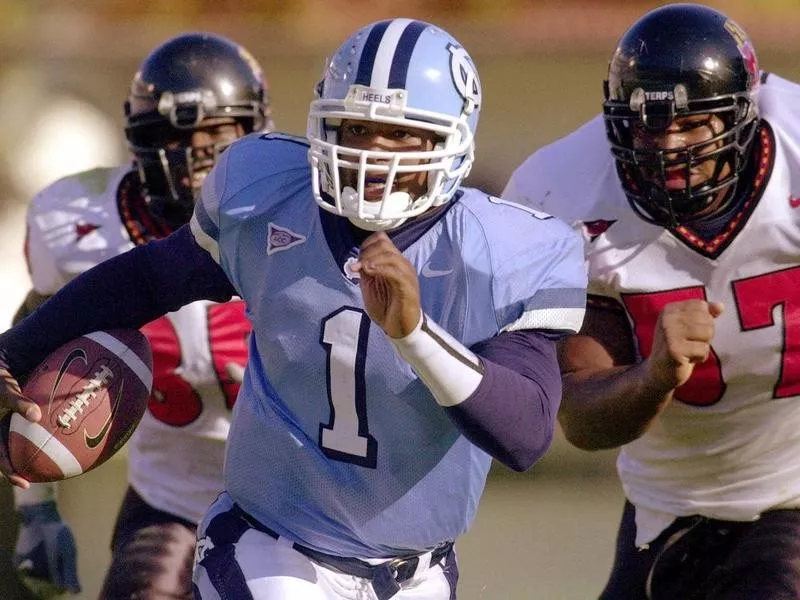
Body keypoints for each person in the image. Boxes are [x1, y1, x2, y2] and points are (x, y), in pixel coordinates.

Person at [0, 18, 587, 599]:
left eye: (402, 134)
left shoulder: (509, 250)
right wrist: (12, 352)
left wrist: (416, 336)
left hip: (419, 570)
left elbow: (526, 434)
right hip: (271, 543)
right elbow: (150, 277)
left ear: (450, 141)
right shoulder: (267, 192)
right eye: (354, 126)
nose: (372, 152)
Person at [502, 3, 800, 599]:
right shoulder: (562, 191)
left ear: (743, 115)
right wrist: (654, 375)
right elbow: (583, 419)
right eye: (648, 127)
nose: (669, 148)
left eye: (693, 124)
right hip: (663, 506)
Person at [8, 32, 272, 599]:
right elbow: (33, 344)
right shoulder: (74, 225)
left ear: (254, 129)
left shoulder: (299, 218)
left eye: (218, 132)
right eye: (174, 134)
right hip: (171, 502)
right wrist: (36, 508)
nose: (196, 155)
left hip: (299, 509)